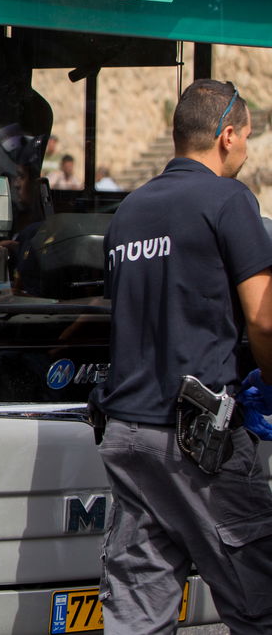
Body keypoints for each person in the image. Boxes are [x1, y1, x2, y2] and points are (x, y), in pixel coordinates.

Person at [93, 79, 272, 634]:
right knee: (260, 604)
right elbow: (264, 316)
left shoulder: (128, 212)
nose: (246, 149)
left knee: (138, 618)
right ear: (225, 136)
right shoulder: (229, 200)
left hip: (127, 436)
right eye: (245, 136)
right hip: (199, 444)